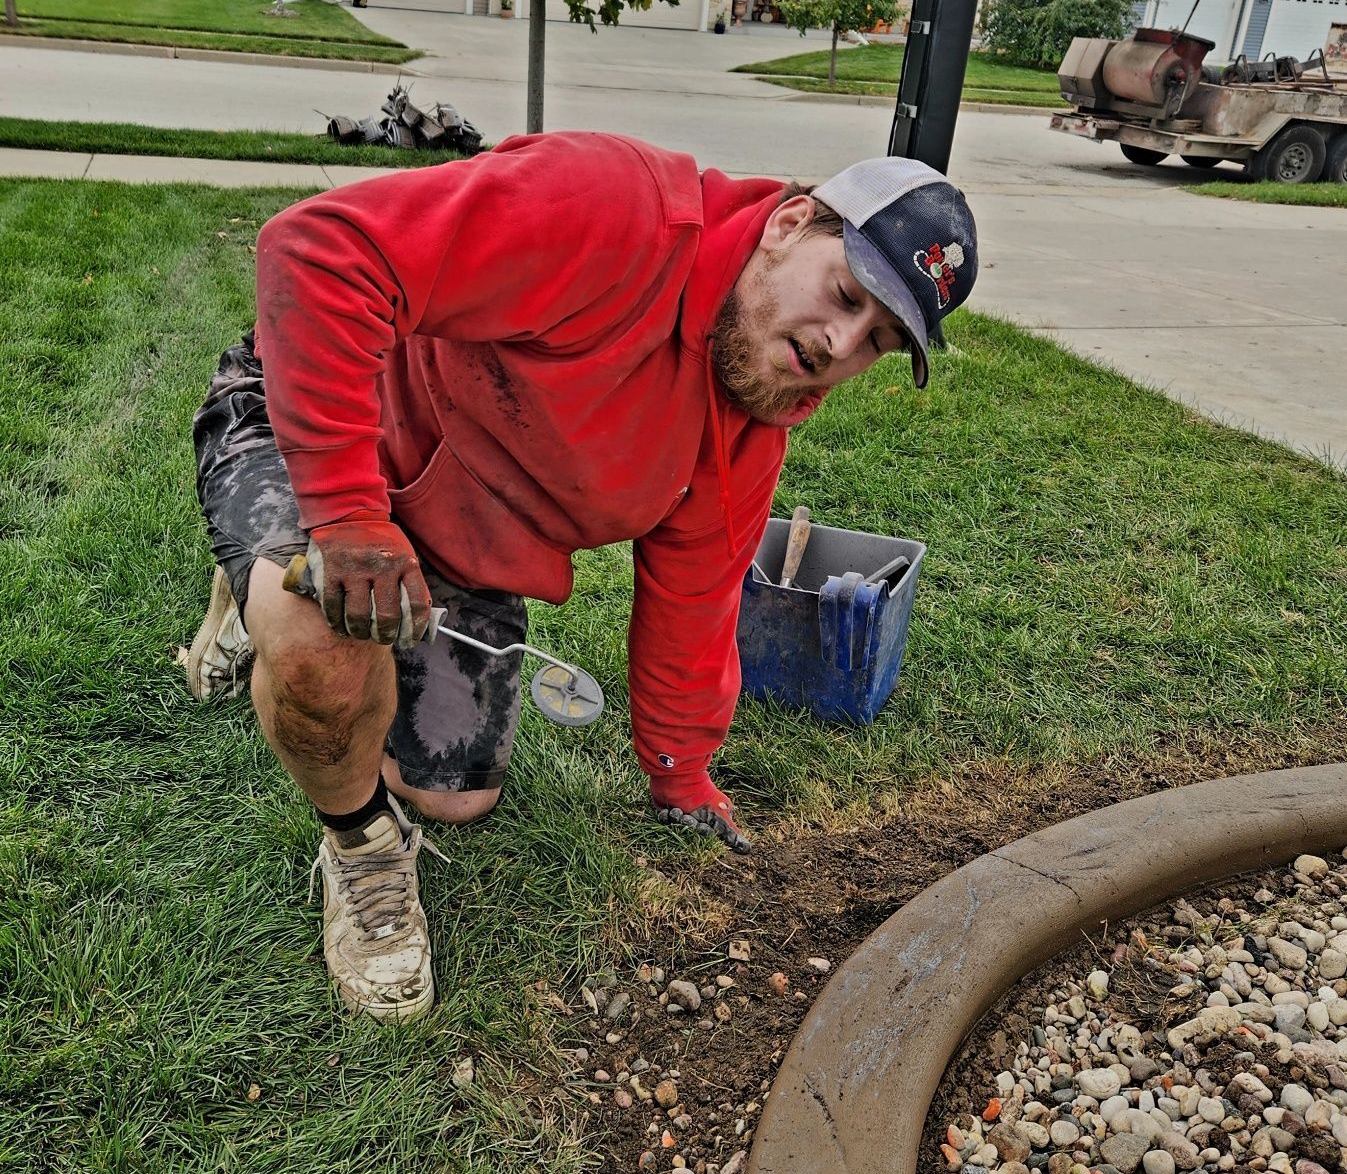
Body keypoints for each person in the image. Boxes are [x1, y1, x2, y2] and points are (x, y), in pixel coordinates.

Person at [183, 133, 978, 1023]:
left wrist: (680, 772)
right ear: (791, 223)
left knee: (455, 795)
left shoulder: (755, 409)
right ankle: (359, 843)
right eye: (845, 295)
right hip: (323, 425)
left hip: (456, 533)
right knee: (325, 649)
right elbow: (322, 251)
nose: (839, 343)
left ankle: (258, 586)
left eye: (876, 342)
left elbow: (693, 598)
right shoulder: (612, 211)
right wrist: (346, 512)